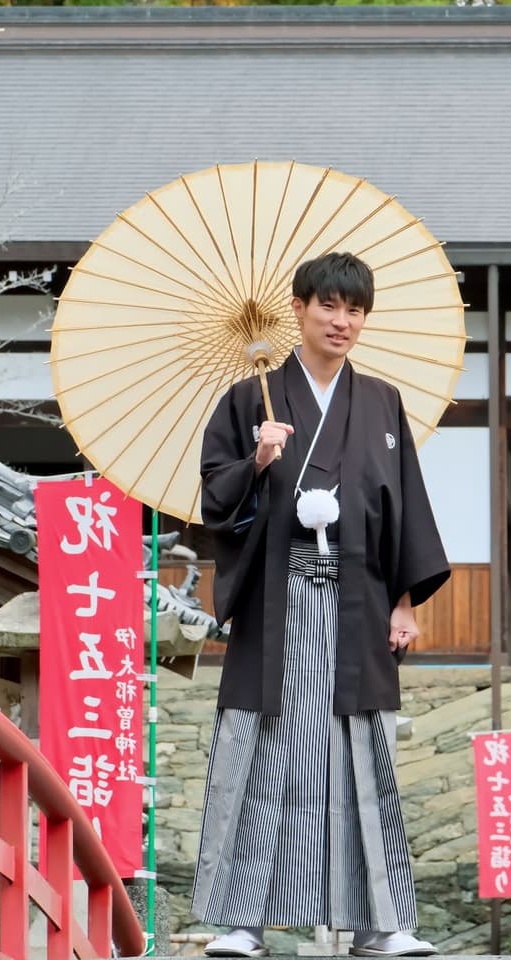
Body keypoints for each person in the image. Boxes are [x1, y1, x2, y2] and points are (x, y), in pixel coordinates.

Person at [192, 251, 450, 959]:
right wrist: (258, 463)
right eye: (328, 306)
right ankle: (243, 919)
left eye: (354, 309)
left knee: (363, 751)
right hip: (278, 603)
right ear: (299, 308)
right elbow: (215, 499)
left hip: (360, 602)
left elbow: (404, 509)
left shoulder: (381, 403)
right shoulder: (253, 399)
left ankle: (381, 922)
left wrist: (403, 601)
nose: (342, 321)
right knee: (267, 749)